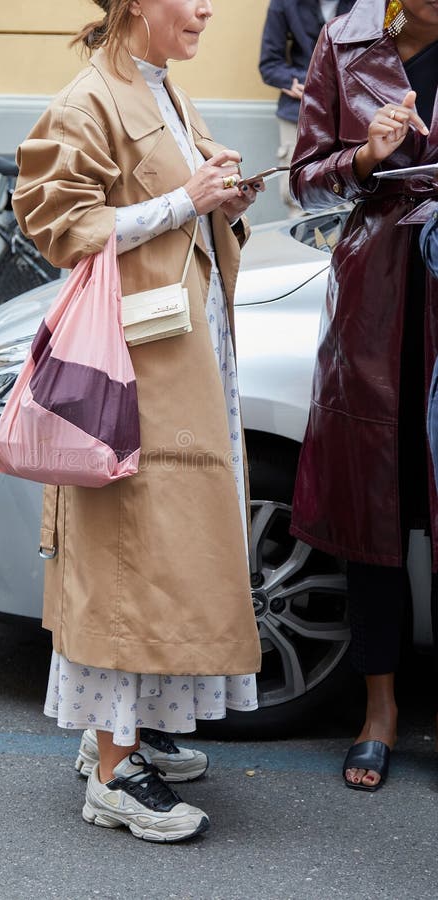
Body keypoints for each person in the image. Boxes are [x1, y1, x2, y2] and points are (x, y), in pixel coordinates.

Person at [13, 0, 263, 841]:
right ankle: (115, 773)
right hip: (135, 374)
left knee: (158, 555)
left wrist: (221, 197)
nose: (205, 9)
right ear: (133, 4)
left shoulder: (165, 91)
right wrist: (185, 199)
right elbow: (57, 222)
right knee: (128, 555)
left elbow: (181, 216)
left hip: (177, 362)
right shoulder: (92, 99)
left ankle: (113, 740)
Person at [289, 0, 438, 791]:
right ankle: (378, 711)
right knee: (373, 516)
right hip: (378, 304)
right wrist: (365, 160)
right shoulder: (345, 43)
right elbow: (304, 184)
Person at [258, 0, 355, 217]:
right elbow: (269, 64)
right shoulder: (283, 4)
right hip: (298, 114)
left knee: (350, 194)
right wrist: (304, 82)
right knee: (298, 199)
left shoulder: (368, 4)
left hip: (350, 112)